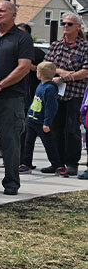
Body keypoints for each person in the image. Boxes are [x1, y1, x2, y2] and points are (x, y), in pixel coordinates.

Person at [0, 0, 34, 195]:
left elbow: (24, 67)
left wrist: (0, 85)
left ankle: (11, 183)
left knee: (10, 142)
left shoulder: (22, 38)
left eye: (2, 11)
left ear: (13, 15)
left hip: (11, 98)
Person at [44, 13, 88, 177]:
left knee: (71, 130)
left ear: (78, 27)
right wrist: (63, 73)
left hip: (74, 94)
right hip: (55, 94)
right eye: (64, 23)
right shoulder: (55, 45)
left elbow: (85, 71)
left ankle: (71, 163)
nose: (65, 26)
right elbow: (47, 65)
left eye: (69, 24)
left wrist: (67, 77)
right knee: (55, 128)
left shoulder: (84, 47)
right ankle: (57, 163)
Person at [23, 62, 61, 173]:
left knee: (48, 144)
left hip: (41, 122)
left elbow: (51, 107)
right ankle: (26, 163)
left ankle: (57, 165)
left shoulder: (50, 88)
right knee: (28, 142)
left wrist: (47, 122)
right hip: (31, 119)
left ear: (39, 74)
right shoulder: (41, 84)